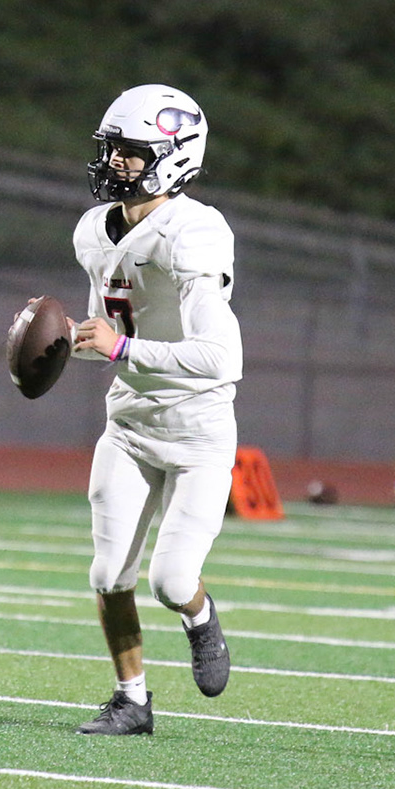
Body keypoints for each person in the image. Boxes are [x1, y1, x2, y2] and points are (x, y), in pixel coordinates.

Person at [65, 84, 241, 736]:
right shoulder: (93, 230)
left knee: (170, 580)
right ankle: (131, 700)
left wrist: (120, 348)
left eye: (132, 152)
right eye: (112, 148)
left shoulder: (194, 232)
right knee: (108, 572)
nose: (115, 162)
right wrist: (66, 342)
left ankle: (199, 615)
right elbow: (107, 336)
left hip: (197, 428)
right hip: (130, 421)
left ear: (173, 158)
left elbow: (220, 357)